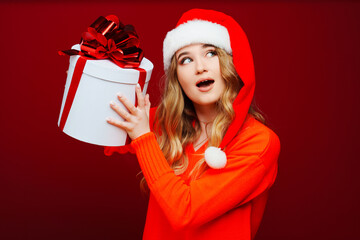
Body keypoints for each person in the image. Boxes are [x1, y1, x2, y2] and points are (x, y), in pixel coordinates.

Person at [106, 8, 280, 240]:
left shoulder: (258, 142)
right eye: (185, 59)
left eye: (211, 53)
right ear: (178, 77)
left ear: (231, 63)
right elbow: (102, 125)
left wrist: (142, 138)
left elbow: (185, 212)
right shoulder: (162, 124)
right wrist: (103, 57)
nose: (200, 67)